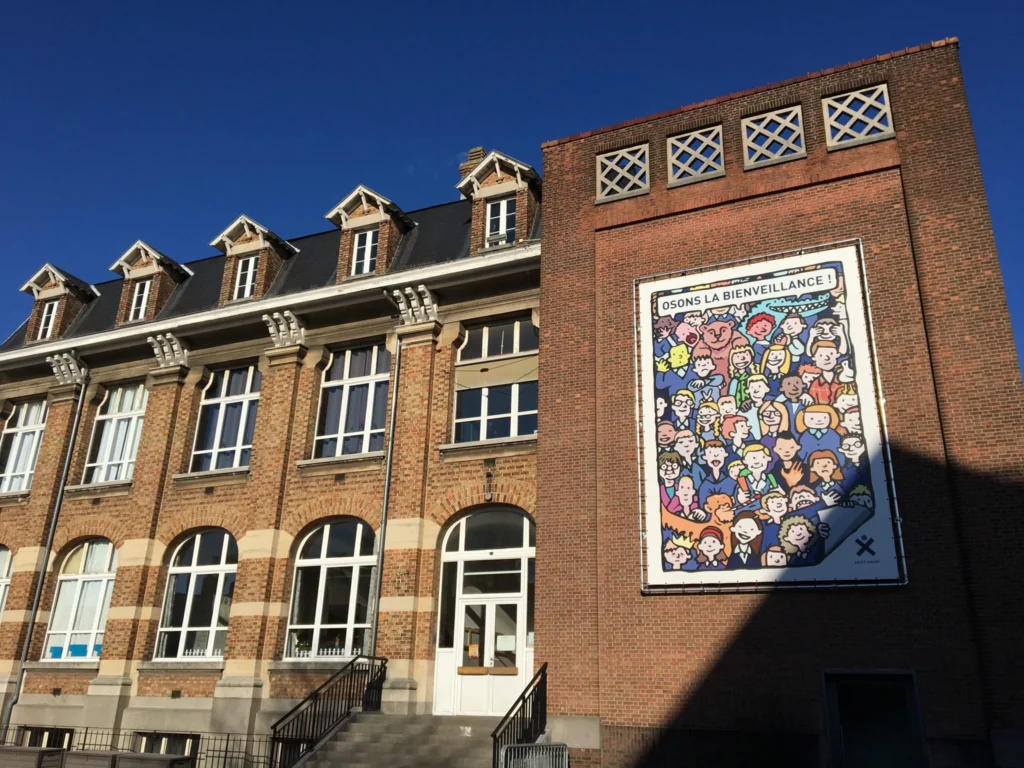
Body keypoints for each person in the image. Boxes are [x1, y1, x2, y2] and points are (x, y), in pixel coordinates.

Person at [807, 340, 843, 405]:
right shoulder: (815, 384)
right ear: (814, 358)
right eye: (821, 355)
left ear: (837, 355)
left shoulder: (843, 380)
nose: (827, 358)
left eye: (831, 354)